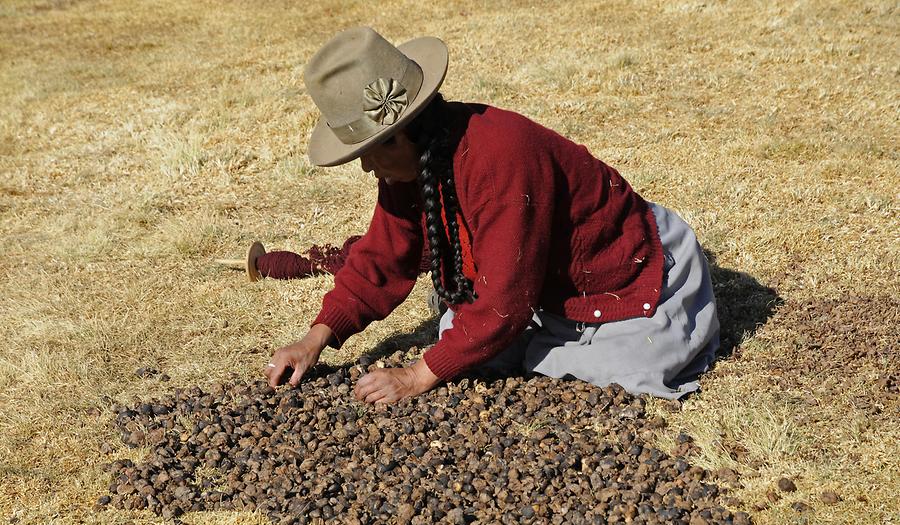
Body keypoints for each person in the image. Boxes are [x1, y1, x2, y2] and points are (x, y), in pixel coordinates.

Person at [265, 26, 719, 407]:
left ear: (400, 136)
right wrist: (315, 339)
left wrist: (418, 375)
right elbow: (385, 256)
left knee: (630, 366)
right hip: (539, 285)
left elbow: (506, 301)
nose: (365, 166)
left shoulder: (501, 157)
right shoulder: (416, 162)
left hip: (627, 275)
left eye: (367, 153)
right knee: (464, 334)